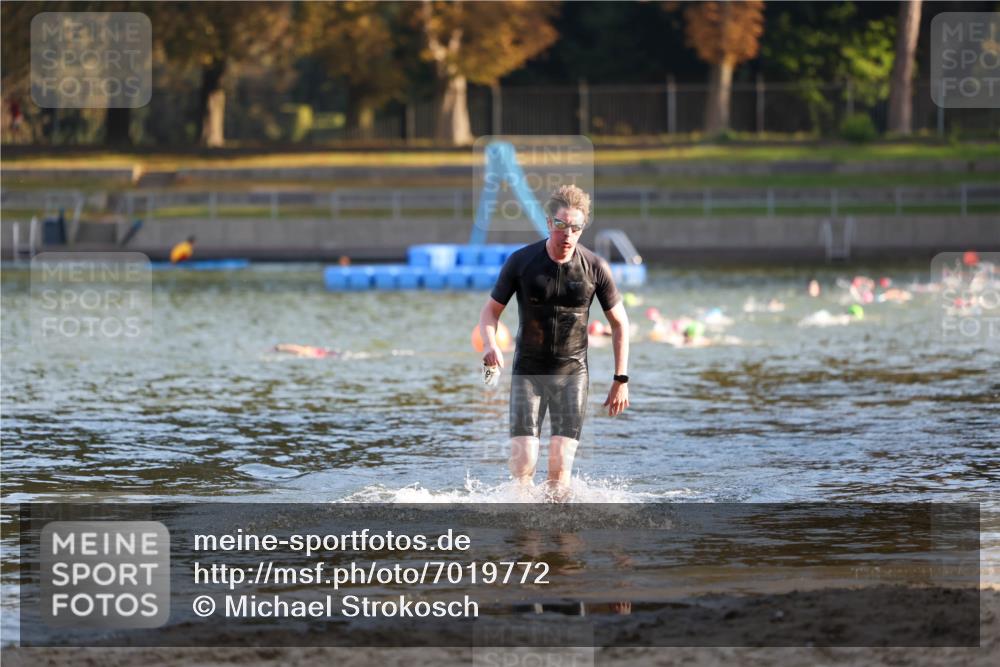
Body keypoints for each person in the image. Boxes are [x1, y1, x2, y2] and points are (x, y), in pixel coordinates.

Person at [478, 185, 629, 499]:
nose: (568, 234)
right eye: (561, 226)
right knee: (523, 467)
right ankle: (525, 541)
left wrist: (621, 379)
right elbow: (490, 313)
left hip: (572, 375)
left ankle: (559, 544)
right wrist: (491, 345)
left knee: (559, 474)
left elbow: (620, 324)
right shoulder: (521, 262)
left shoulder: (596, 267)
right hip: (528, 373)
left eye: (576, 228)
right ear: (549, 223)